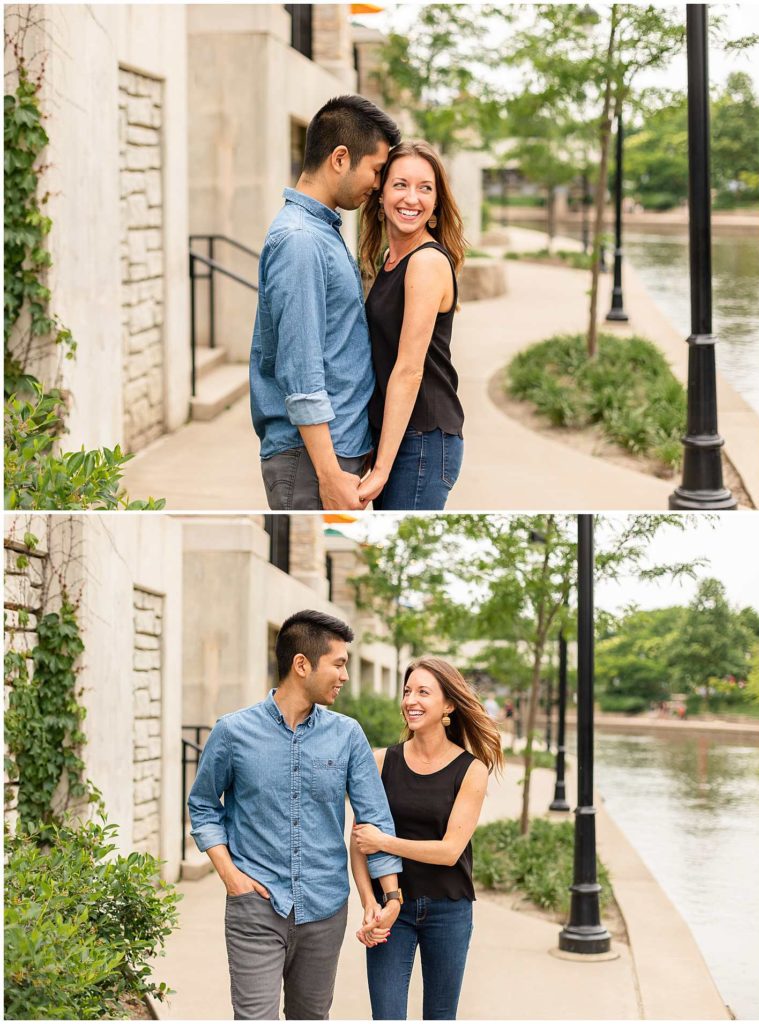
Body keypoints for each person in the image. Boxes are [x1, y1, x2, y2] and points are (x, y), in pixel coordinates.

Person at [187, 610, 403, 1020]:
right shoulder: (233, 733)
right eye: (338, 664)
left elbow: (373, 816)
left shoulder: (347, 735)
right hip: (256, 906)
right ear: (302, 665)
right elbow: (202, 805)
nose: (344, 676)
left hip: (324, 909)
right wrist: (231, 876)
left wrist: (388, 896)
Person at [249, 96, 400, 511]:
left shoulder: (321, 231)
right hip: (312, 462)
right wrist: (330, 472)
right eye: (376, 169)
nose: (378, 184)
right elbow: (301, 373)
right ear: (339, 158)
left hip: (330, 455)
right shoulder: (300, 241)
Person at [349, 657, 504, 1020]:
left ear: (448, 704)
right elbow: (359, 841)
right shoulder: (381, 761)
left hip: (449, 911)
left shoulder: (471, 770)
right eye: (407, 691)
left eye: (423, 692)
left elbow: (450, 851)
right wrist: (369, 902)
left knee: (440, 1016)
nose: (410, 700)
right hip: (392, 909)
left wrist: (385, 842)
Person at [357, 141, 467, 510]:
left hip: (422, 441)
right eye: (400, 184)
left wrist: (383, 467)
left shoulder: (426, 262)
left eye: (425, 188)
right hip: (401, 437)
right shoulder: (391, 259)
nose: (412, 198)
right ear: (381, 193)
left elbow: (408, 370)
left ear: (436, 205)